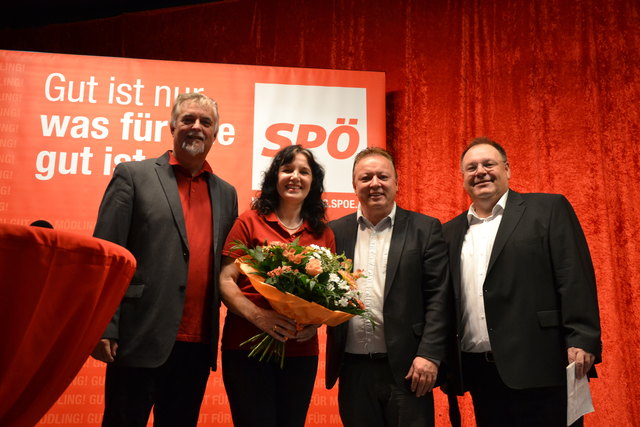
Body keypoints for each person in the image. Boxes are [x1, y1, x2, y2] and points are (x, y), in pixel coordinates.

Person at [90, 93, 238, 427]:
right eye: (188, 120)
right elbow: (106, 254)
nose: (196, 127)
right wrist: (103, 325)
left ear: (216, 133)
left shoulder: (226, 193)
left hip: (196, 345)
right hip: (138, 335)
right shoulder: (132, 175)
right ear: (172, 126)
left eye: (205, 122)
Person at [442, 137, 602, 426]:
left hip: (543, 363)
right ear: (463, 179)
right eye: (471, 167)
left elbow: (573, 275)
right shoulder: (449, 232)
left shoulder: (548, 209)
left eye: (488, 164)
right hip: (481, 373)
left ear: (507, 169)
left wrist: (582, 337)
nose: (480, 171)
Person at [325, 147, 450, 427]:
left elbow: (439, 298)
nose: (375, 184)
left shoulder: (425, 229)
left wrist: (429, 355)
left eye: (383, 176)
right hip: (352, 370)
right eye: (366, 177)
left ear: (396, 182)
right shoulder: (334, 232)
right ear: (354, 185)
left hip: (408, 370)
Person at [219, 144, 335, 427]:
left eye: (303, 172)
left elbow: (329, 293)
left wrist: (315, 323)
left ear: (313, 182)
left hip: (299, 354)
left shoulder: (323, 234)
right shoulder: (249, 222)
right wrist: (261, 317)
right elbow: (225, 280)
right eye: (287, 169)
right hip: (246, 348)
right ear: (275, 177)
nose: (295, 177)